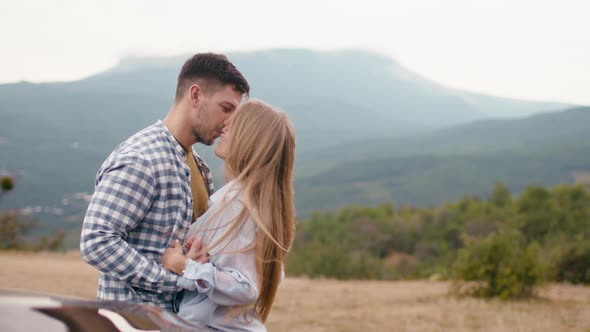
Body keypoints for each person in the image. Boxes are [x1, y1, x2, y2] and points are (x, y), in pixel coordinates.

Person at [80, 53, 250, 311]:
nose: (229, 123)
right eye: (225, 108)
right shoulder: (142, 159)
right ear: (195, 95)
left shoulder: (199, 167)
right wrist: (171, 280)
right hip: (134, 322)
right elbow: (96, 241)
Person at [162, 99, 296, 331]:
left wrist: (183, 265)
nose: (224, 127)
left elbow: (246, 287)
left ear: (248, 139)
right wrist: (205, 264)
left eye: (233, 125)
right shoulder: (247, 200)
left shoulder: (239, 204)